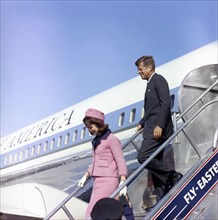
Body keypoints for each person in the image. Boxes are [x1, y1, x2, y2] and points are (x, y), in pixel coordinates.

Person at [135, 56, 183, 209]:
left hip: (157, 131)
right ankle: (162, 202)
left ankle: (173, 176)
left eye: (140, 69)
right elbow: (151, 109)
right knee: (155, 168)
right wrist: (142, 123)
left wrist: (160, 125)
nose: (139, 72)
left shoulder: (158, 80)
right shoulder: (149, 84)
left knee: (143, 156)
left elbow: (165, 103)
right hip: (150, 128)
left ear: (149, 68)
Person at [78, 108, 128, 219]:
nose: (89, 131)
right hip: (97, 181)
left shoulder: (111, 139)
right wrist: (85, 176)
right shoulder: (96, 141)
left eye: (91, 127)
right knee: (93, 213)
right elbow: (96, 162)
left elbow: (120, 160)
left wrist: (123, 180)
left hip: (109, 180)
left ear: (98, 123)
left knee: (93, 214)